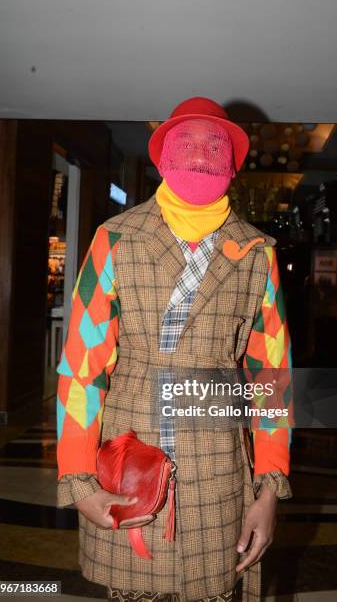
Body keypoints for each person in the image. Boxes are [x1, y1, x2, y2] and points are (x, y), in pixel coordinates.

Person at [56, 97, 293, 602]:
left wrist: (270, 487)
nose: (201, 154)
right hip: (132, 460)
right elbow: (82, 368)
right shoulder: (117, 239)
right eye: (189, 143)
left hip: (221, 472)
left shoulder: (256, 253)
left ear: (231, 162)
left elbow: (271, 378)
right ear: (163, 157)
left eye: (214, 144)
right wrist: (78, 479)